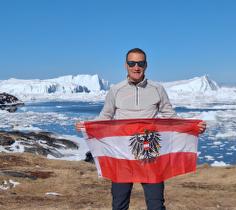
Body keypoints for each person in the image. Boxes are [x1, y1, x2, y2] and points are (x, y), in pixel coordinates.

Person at [77, 48, 206, 210]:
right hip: (122, 155)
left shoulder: (157, 89)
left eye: (140, 63)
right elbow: (106, 116)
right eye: (132, 63)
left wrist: (193, 127)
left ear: (146, 65)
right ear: (126, 65)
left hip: (150, 155)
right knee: (119, 204)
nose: (136, 67)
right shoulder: (116, 90)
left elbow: (170, 116)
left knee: (156, 205)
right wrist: (87, 127)